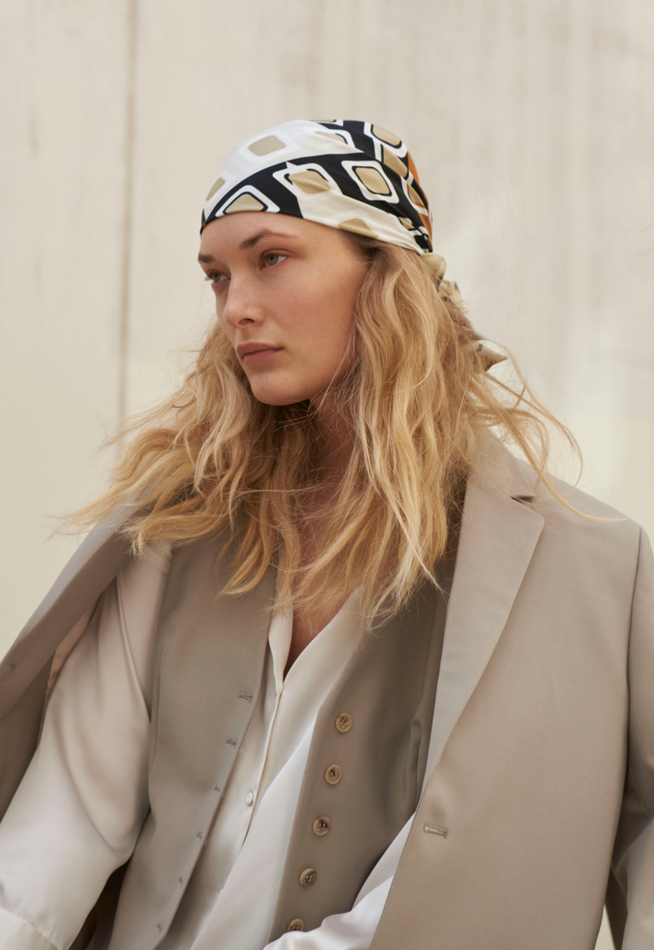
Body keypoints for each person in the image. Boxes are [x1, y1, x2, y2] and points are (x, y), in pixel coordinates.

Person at [0, 119, 651, 950]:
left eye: (271, 258)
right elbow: (64, 826)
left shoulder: (580, 568)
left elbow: (469, 883)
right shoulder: (179, 530)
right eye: (216, 276)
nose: (235, 308)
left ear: (384, 269)